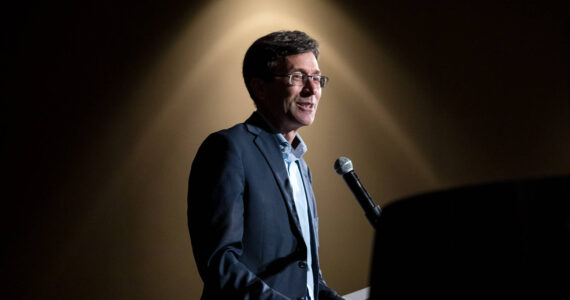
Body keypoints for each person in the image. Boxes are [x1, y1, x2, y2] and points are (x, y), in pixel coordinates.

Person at [187, 30, 343, 300]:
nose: (312, 89)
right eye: (298, 77)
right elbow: (219, 263)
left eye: (317, 78)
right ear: (259, 87)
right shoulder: (228, 148)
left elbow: (306, 276)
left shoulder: (301, 167)